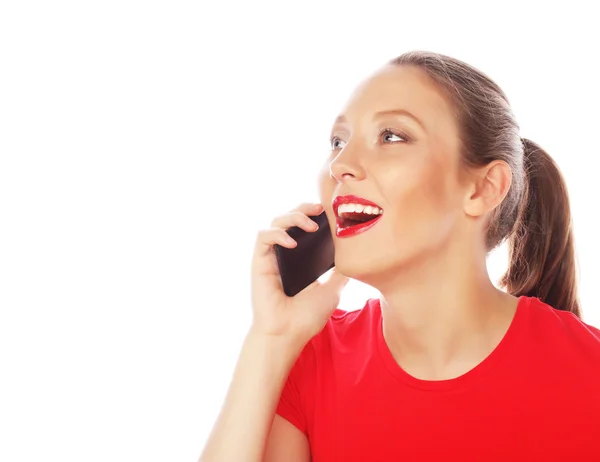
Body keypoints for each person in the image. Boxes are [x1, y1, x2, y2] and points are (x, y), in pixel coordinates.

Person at [199, 51, 600, 462]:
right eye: (338, 142)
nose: (340, 165)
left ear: (481, 189)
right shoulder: (309, 360)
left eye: (391, 136)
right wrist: (270, 340)